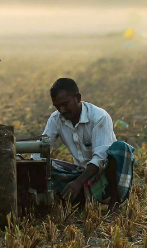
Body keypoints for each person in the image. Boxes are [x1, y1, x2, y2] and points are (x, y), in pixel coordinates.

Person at [37, 78, 134, 213]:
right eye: (57, 107)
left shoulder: (99, 117)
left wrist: (78, 182)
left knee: (121, 149)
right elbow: (42, 147)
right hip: (79, 173)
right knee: (44, 166)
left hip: (105, 176)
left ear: (78, 98)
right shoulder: (56, 119)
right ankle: (78, 199)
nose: (62, 110)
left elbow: (101, 158)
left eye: (65, 104)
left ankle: (115, 202)